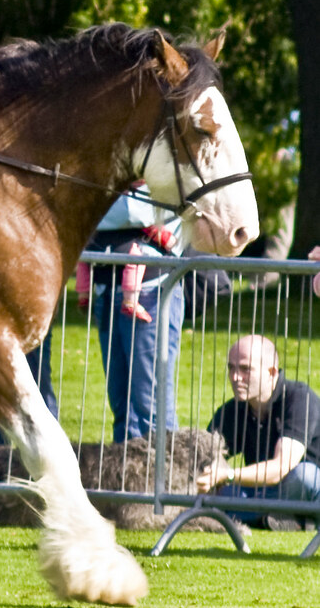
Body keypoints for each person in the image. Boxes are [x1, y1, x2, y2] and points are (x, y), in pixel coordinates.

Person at [85, 189, 184, 443]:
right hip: (107, 288)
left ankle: (162, 477)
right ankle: (127, 476)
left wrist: (96, 199)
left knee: (149, 402)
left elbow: (131, 211)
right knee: (121, 400)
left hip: (151, 290)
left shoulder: (163, 174)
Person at [196, 335, 320, 529]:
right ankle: (280, 518)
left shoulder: (299, 399)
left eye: (245, 369)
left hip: (304, 490)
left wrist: (227, 475)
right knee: (218, 490)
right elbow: (202, 457)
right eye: (231, 368)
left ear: (271, 372)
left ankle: (244, 515)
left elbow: (280, 468)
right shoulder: (233, 410)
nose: (235, 377)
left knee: (305, 475)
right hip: (259, 491)